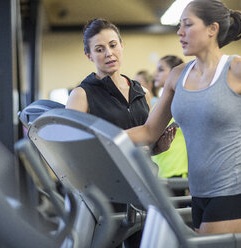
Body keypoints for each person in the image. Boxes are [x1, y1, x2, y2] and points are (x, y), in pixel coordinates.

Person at [126, 0, 241, 235]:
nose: (180, 32)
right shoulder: (177, 76)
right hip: (198, 193)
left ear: (212, 29)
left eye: (188, 25)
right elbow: (149, 131)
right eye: (180, 25)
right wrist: (98, 136)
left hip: (234, 191)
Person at [65, 18, 175, 247]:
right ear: (89, 55)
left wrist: (157, 147)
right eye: (99, 49)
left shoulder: (141, 92)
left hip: (142, 187)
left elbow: (143, 140)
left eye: (113, 45)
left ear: (122, 45)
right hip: (105, 194)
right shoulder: (81, 95)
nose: (108, 53)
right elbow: (72, 152)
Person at [151, 55, 189, 197]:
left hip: (176, 173)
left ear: (174, 73)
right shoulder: (158, 103)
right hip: (159, 172)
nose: (155, 73)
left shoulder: (181, 102)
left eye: (161, 70)